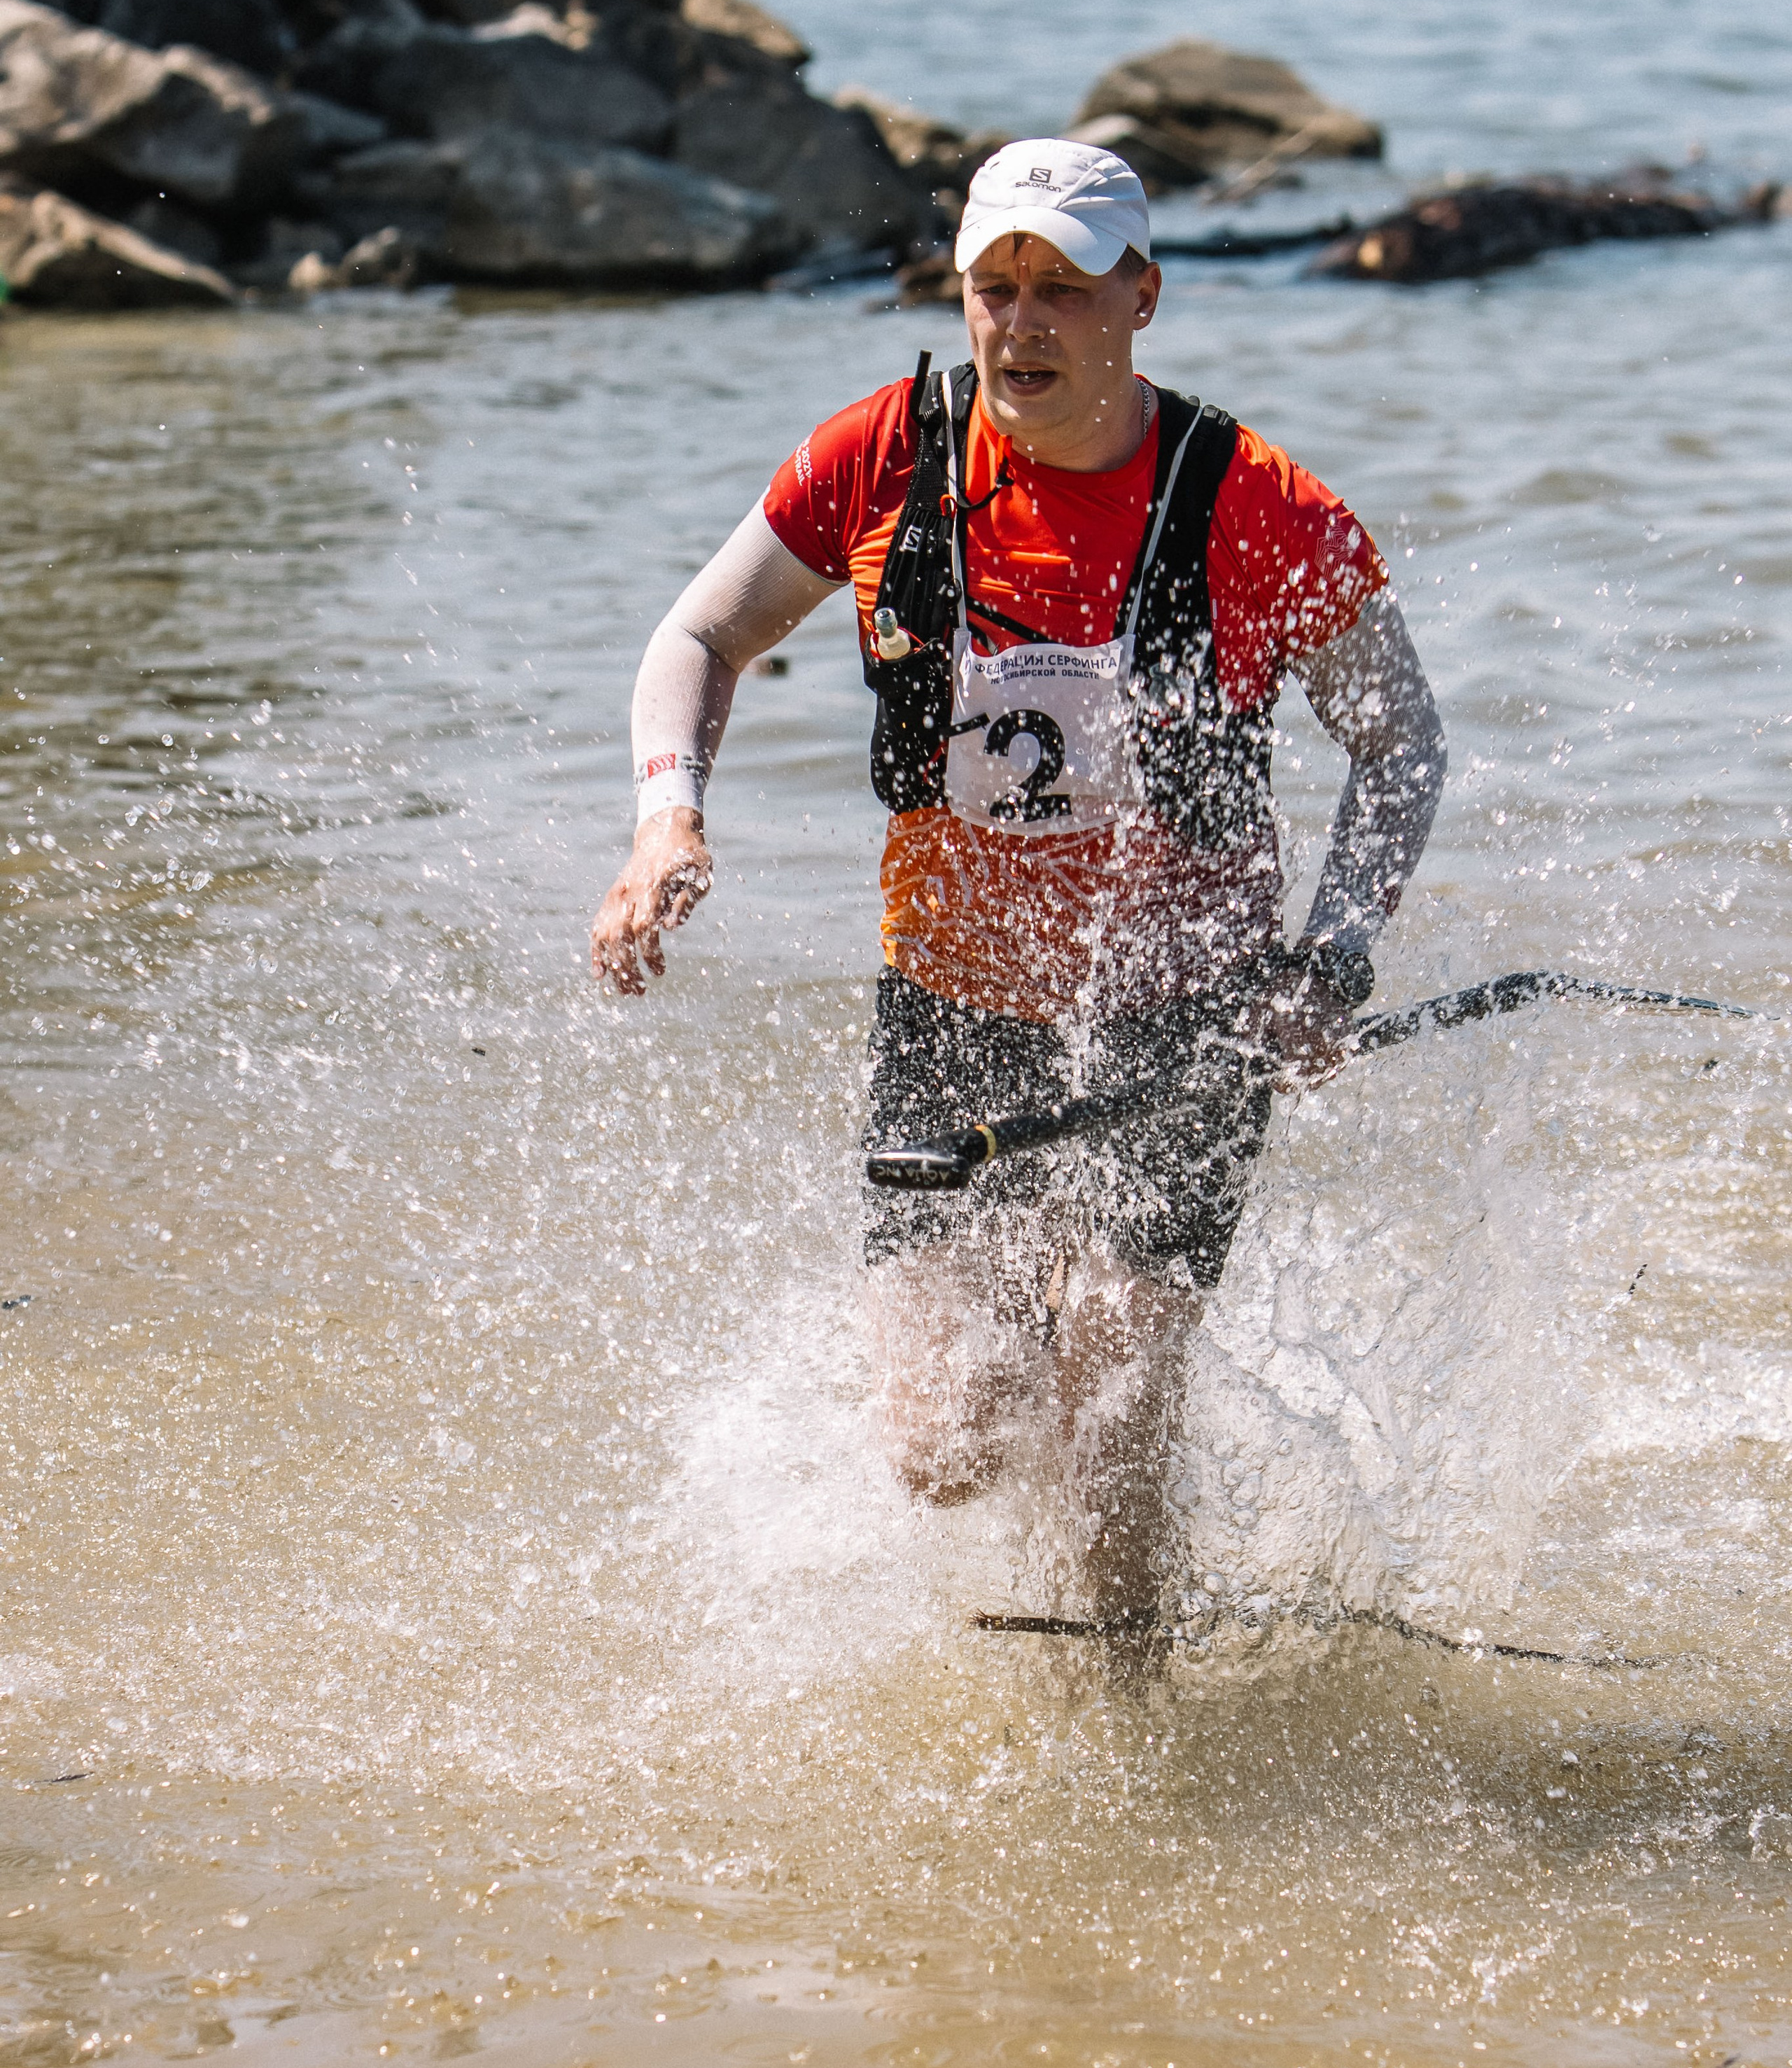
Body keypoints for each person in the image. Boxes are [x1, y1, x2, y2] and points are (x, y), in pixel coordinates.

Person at [593, 140, 1446, 1638]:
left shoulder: (1256, 505)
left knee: (1113, 1414)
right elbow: (697, 641)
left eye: (1061, 289)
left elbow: (1401, 745)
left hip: (1189, 1019)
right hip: (954, 1005)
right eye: (995, 287)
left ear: (1141, 297)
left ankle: (1126, 1753)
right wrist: (667, 827)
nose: (1021, 322)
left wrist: (1332, 955)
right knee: (945, 1440)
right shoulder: (881, 456)